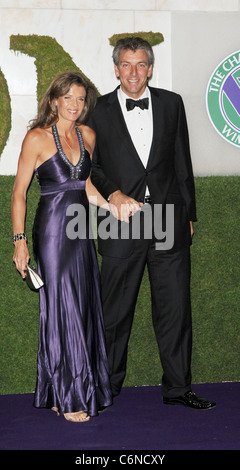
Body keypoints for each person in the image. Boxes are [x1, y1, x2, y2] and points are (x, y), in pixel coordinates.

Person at [88, 37, 216, 410]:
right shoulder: (97, 110)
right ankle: (105, 387)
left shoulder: (172, 104)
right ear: (115, 68)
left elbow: (182, 162)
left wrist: (188, 215)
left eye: (141, 64)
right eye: (126, 64)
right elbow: (90, 168)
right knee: (114, 313)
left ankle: (178, 388)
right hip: (118, 221)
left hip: (168, 222)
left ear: (150, 67)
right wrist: (113, 194)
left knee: (175, 310)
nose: (133, 72)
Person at [11, 71, 112, 422]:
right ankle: (70, 397)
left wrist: (116, 208)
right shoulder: (36, 138)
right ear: (54, 100)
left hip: (81, 230)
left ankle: (57, 391)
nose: (74, 104)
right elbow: (19, 193)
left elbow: (85, 187)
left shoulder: (88, 135)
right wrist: (19, 241)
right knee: (62, 308)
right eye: (67, 97)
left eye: (80, 99)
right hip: (53, 232)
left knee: (82, 304)